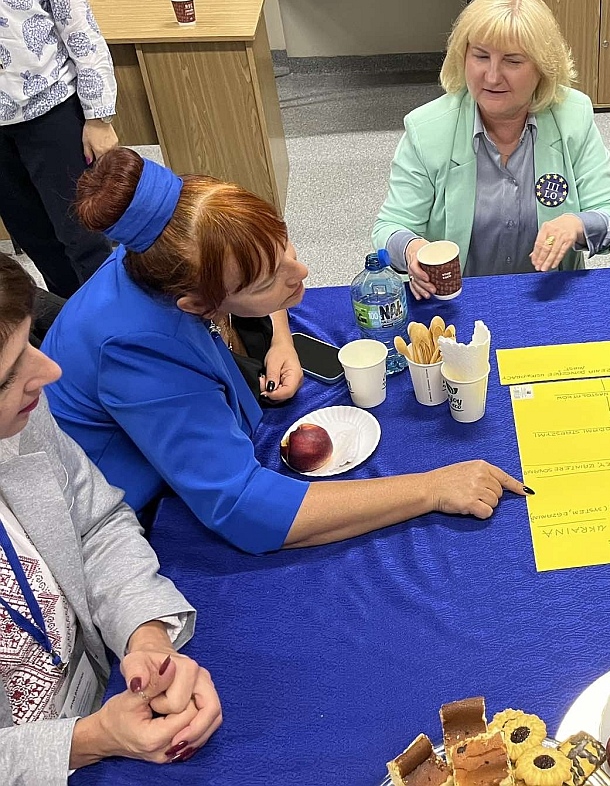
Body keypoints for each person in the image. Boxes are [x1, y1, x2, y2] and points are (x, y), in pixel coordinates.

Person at [41, 148, 526, 555]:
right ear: (198, 304)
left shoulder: (170, 246)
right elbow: (242, 507)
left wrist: (280, 335)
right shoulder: (136, 352)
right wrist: (431, 488)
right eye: (267, 281)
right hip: (123, 512)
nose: (302, 273)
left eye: (285, 246)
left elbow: (249, 263)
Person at [0, 254, 221, 779]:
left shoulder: (20, 418)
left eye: (30, 344)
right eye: (7, 377)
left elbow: (93, 522)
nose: (49, 372)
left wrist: (146, 637)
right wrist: (85, 742)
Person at [372, 0, 610, 292]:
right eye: (481, 56)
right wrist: (412, 249)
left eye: (513, 61)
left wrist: (575, 225)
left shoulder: (573, 115)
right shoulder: (427, 129)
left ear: (543, 68)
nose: (492, 76)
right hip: (461, 300)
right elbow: (389, 227)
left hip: (548, 295)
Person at [0, 0, 116, 298]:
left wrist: (98, 114)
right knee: (36, 241)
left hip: (49, 106)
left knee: (84, 237)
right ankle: (73, 324)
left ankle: (115, 324)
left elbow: (74, 13)